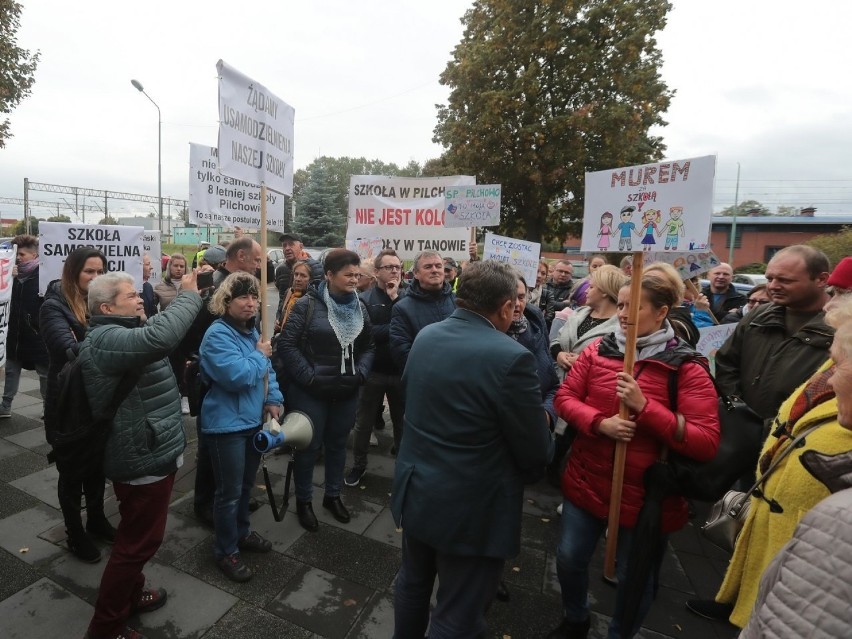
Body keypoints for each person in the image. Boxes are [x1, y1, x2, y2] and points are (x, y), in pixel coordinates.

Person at [548, 272, 720, 639]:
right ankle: (575, 618)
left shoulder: (687, 367)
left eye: (634, 306)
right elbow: (565, 400)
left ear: (661, 312)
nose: (623, 314)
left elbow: (705, 441)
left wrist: (645, 408)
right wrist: (599, 423)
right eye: (622, 304)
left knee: (634, 578)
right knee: (569, 558)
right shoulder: (598, 350)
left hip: (646, 497)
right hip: (588, 478)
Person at [391, 261, 552, 638]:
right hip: (471, 506)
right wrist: (547, 417)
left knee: (412, 584)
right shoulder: (511, 357)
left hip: (418, 489)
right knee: (457, 613)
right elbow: (535, 452)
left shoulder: (427, 335)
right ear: (508, 307)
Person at [686, 297, 852, 628]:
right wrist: (738, 410)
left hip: (810, 544)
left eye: (839, 364)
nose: (831, 378)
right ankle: (738, 603)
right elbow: (728, 363)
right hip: (770, 475)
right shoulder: (761, 319)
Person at [80, 269, 202, 639]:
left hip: (148, 449)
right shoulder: (106, 338)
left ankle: (131, 596)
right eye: (131, 296)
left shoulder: (124, 332)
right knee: (137, 545)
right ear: (107, 307)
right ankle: (106, 628)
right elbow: (162, 336)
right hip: (140, 457)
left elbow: (156, 333)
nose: (140, 299)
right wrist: (189, 295)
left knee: (135, 536)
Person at [276, 249, 374, 532]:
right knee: (308, 449)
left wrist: (362, 373)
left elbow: (369, 346)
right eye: (348, 275)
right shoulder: (307, 305)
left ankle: (333, 496)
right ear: (329, 275)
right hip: (311, 392)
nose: (354, 280)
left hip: (345, 392)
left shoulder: (360, 307)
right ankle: (304, 502)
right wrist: (309, 377)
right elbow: (287, 345)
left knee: (337, 446)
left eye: (357, 275)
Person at [199, 272, 282, 582]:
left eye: (254, 297)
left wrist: (273, 397)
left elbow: (266, 372)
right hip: (227, 426)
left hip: (251, 422)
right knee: (229, 493)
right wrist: (261, 355)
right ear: (226, 301)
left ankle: (242, 533)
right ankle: (225, 549)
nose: (251, 302)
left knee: (245, 488)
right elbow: (237, 377)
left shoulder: (252, 332)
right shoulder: (218, 335)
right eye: (243, 297)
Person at [178, 237, 264, 527]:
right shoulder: (215, 287)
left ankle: (232, 496)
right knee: (211, 449)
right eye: (257, 259)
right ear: (241, 256)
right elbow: (193, 333)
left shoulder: (246, 285)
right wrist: (199, 358)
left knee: (232, 457)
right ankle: (206, 503)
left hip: (242, 383)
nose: (260, 265)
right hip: (216, 382)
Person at [39, 248, 112, 563]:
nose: (95, 278)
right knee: (71, 471)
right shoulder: (53, 305)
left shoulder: (97, 302)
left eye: (100, 272)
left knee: (97, 465)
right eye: (89, 272)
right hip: (67, 400)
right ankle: (74, 533)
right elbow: (67, 349)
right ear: (73, 272)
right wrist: (111, 335)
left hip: (96, 396)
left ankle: (96, 519)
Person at [714, 245, 833, 422]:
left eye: (785, 280)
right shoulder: (757, 316)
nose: (773, 286)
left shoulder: (841, 328)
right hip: (742, 431)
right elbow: (727, 363)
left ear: (821, 279)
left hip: (797, 438)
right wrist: (736, 410)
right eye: (769, 278)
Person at [346, 249, 405, 487]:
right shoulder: (364, 299)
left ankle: (403, 466)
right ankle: (358, 465)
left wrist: (395, 301)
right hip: (373, 373)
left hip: (401, 371)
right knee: (363, 424)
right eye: (389, 267)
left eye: (397, 267)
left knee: (402, 423)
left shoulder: (407, 297)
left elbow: (411, 330)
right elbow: (366, 334)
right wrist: (396, 329)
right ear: (377, 272)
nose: (394, 271)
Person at [1, 235, 49, 418]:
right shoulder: (9, 275)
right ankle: (5, 406)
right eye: (16, 254)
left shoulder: (43, 277)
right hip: (14, 334)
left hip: (37, 334)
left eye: (22, 254)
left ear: (35, 255)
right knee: (11, 371)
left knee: (44, 374)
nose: (18, 258)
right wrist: (7, 277)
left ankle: (48, 407)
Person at [390, 251, 455, 372]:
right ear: (416, 273)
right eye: (428, 267)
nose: (434, 270)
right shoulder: (402, 308)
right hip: (426, 379)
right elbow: (402, 352)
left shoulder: (458, 302)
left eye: (438, 266)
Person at [274, 260, 311, 333]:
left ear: (310, 279)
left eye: (303, 276)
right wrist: (278, 321)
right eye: (296, 274)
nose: (298, 279)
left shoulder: (311, 299)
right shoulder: (289, 292)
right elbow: (280, 310)